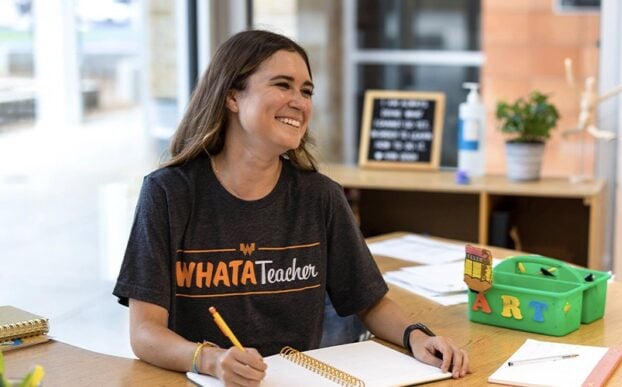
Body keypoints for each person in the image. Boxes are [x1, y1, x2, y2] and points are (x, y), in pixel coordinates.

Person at [113, 29, 469, 386]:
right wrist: (211, 360)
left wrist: (418, 338)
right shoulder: (168, 193)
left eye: (306, 90)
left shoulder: (321, 196)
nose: (299, 101)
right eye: (282, 85)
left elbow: (369, 302)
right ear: (232, 96)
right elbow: (144, 332)